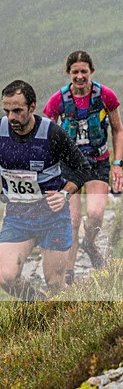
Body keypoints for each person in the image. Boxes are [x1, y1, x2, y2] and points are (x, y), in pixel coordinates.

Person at [0, 80, 90, 300]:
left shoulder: (52, 134)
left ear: (32, 107)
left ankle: (74, 313)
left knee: (56, 284)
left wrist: (65, 193)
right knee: (6, 278)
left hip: (52, 217)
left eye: (17, 110)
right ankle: (38, 302)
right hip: (18, 216)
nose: (11, 117)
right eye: (7, 111)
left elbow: (82, 169)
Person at [42, 50, 123, 282]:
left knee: (96, 215)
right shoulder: (58, 101)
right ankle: (69, 275)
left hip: (97, 163)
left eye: (83, 71)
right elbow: (46, 134)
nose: (79, 76)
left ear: (92, 72)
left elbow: (118, 129)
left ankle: (90, 242)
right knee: (73, 221)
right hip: (69, 168)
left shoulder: (105, 96)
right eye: (75, 72)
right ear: (68, 73)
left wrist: (118, 163)